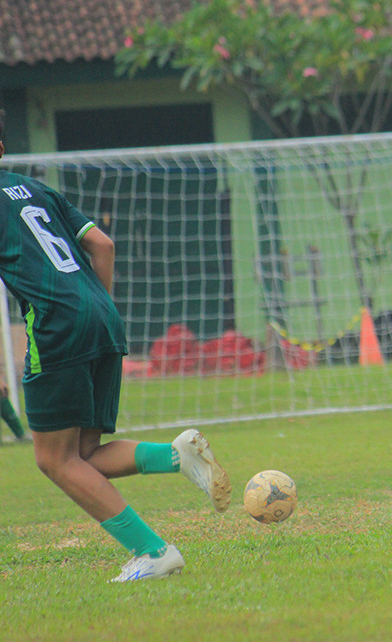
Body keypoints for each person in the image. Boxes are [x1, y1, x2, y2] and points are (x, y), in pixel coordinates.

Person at [0, 110, 232, 581]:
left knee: (54, 459)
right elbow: (102, 245)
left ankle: (152, 551)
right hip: (102, 315)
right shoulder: (39, 190)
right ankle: (175, 456)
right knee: (83, 453)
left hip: (56, 324)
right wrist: (95, 312)